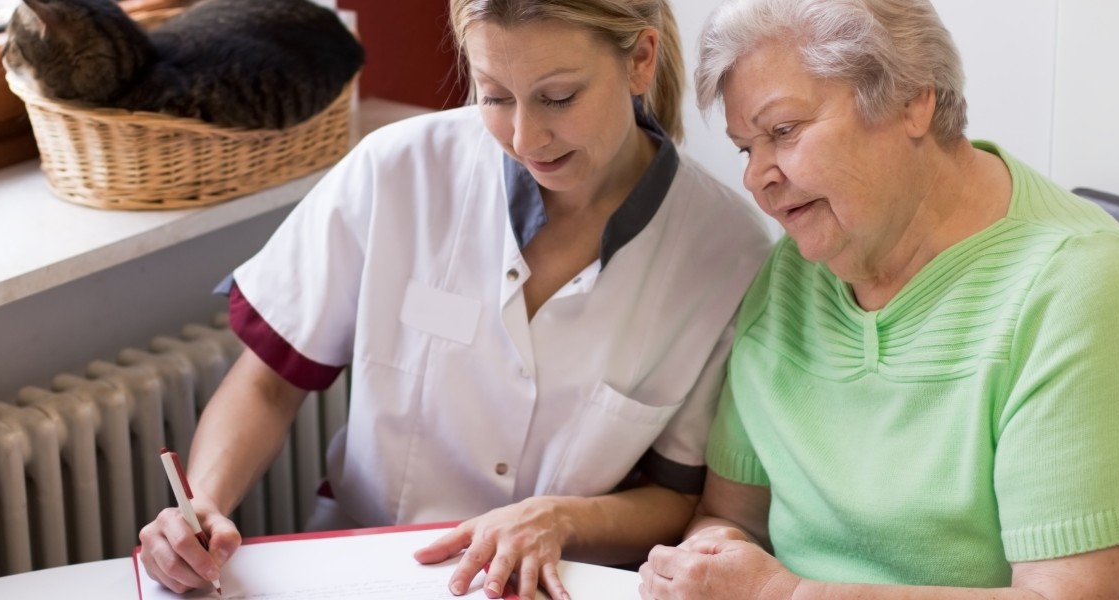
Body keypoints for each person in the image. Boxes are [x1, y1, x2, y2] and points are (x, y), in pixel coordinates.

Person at [137, 0, 772, 598]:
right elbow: (268, 382)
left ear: (640, 60)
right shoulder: (399, 170)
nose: (525, 137)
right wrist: (203, 506)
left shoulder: (727, 251)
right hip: (366, 567)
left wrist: (559, 519)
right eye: (495, 96)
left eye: (559, 97)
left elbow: (677, 494)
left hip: (563, 581)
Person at [637, 0, 1119, 598]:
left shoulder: (1080, 289)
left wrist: (781, 595)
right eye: (744, 148)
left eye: (783, 131)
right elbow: (733, 517)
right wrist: (711, 559)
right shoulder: (795, 270)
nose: (757, 176)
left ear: (912, 99)